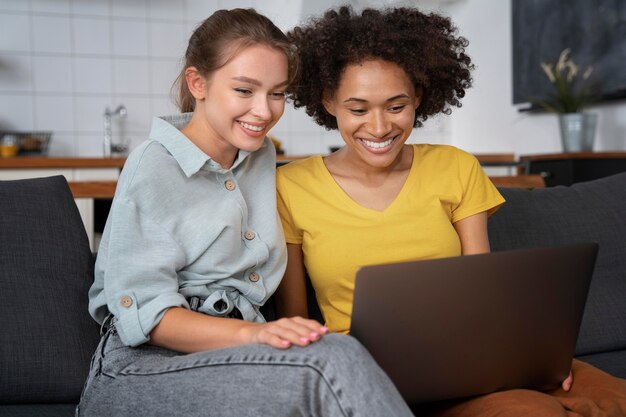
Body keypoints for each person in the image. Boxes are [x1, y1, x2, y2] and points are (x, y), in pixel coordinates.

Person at [275, 6, 626, 417]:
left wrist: (528, 356)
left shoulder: (456, 167)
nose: (378, 127)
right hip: (369, 373)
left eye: (396, 105)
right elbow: (295, 321)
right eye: (358, 109)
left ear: (419, 98)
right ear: (328, 100)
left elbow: (483, 287)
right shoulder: (291, 187)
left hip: (472, 355)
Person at [78, 8, 414, 417]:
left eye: (277, 93)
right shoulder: (154, 166)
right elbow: (145, 316)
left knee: (335, 355)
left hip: (236, 352)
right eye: (244, 90)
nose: (264, 111)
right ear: (197, 82)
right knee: (331, 361)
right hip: (141, 367)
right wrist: (256, 334)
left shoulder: (259, 156)